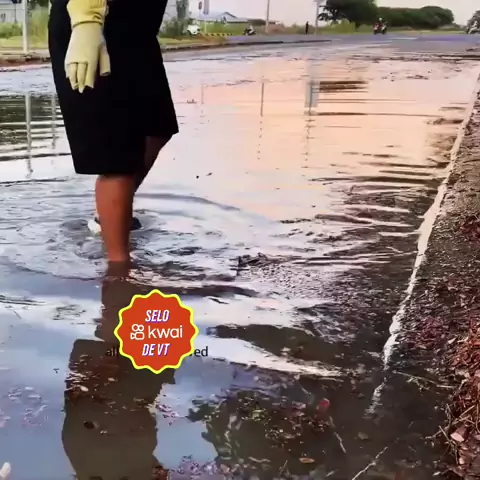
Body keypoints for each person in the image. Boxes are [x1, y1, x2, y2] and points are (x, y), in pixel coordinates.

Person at [48, 0, 179, 266]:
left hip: (137, 30)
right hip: (96, 23)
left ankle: (107, 215)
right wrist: (86, 21)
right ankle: (119, 271)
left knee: (157, 128)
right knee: (117, 158)